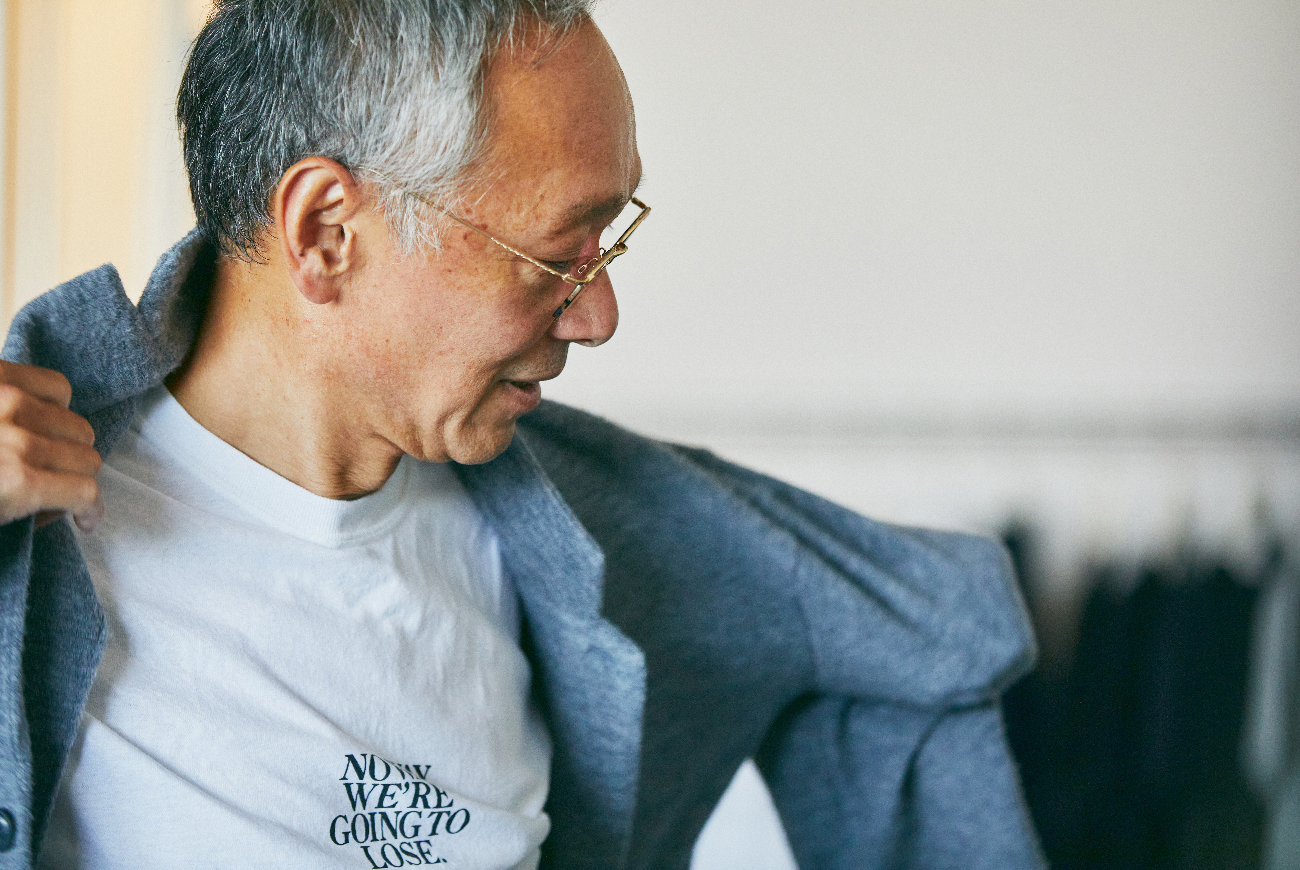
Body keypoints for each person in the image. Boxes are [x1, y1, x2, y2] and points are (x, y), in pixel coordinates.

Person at [0, 1, 1044, 867]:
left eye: (609, 243)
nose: (598, 317)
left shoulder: (594, 530)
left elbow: (945, 632)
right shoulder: (31, 544)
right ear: (325, 233)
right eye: (558, 255)